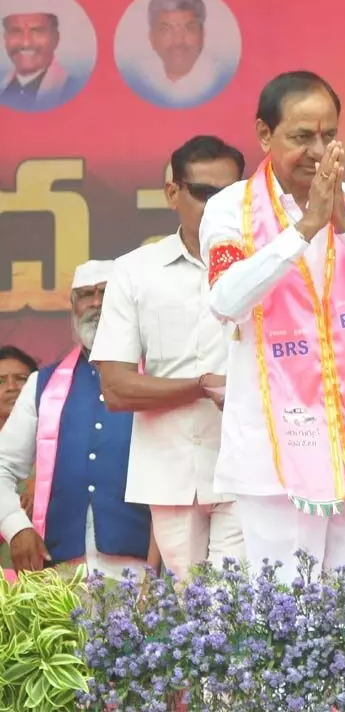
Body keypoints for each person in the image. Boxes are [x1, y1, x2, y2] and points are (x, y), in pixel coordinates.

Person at [198, 70, 345, 580]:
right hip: (274, 448)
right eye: (302, 137)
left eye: (328, 135)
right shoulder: (229, 210)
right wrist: (302, 231)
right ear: (264, 135)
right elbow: (225, 300)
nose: (317, 150)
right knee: (286, 609)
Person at [91, 135, 246, 579]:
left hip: (248, 467)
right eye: (204, 193)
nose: (217, 207)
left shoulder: (263, 266)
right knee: (193, 605)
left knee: (236, 604)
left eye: (230, 194)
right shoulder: (134, 270)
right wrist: (201, 387)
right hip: (171, 473)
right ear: (172, 192)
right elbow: (116, 389)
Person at [0, 262, 155, 577]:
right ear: (73, 307)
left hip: (143, 572)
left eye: (106, 293)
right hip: (59, 575)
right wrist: (16, 527)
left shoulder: (156, 377)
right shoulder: (42, 384)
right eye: (86, 295)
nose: (96, 303)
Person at [0, 0, 79, 111]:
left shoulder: (72, 89)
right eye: (16, 31)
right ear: (5, 38)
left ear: (55, 38)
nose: (25, 42)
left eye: (37, 31)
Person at [138, 0, 220, 107]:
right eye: (166, 30)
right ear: (152, 38)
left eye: (188, 29)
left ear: (202, 35)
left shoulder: (217, 79)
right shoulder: (142, 79)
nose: (178, 41)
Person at [0, 345, 36, 569]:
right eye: (0, 381)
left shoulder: (57, 445)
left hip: (44, 574)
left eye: (21, 379)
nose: (12, 388)